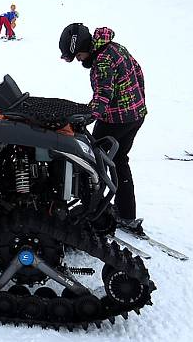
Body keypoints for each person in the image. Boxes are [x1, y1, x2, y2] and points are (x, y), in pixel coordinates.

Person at [59, 23, 147, 234]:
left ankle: (93, 214)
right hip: (135, 116)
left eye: (78, 56)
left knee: (92, 163)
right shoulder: (115, 48)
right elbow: (139, 75)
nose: (80, 61)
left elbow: (103, 96)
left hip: (115, 120)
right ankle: (127, 214)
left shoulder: (102, 61)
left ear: (82, 48)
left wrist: (86, 118)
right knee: (119, 161)